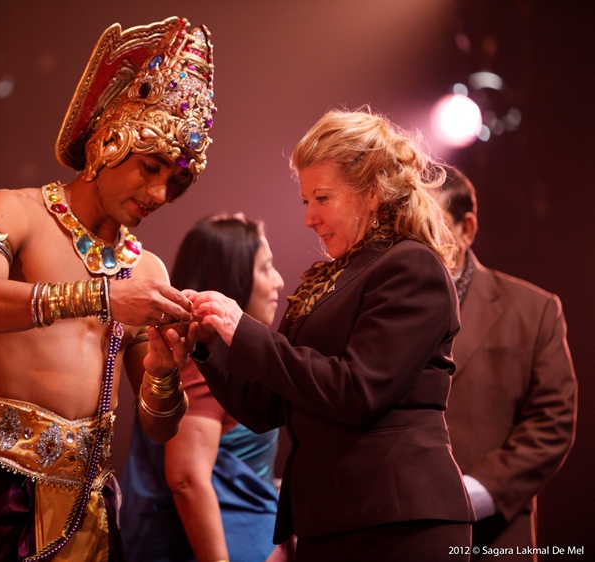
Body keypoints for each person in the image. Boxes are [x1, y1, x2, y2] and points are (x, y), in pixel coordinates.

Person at [0, 16, 215, 562]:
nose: (159, 193)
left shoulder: (148, 270)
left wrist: (163, 373)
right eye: (150, 167)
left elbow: (159, 427)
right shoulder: (14, 210)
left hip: (88, 503)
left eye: (175, 181)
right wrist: (101, 298)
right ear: (108, 143)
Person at [188, 109, 475, 561]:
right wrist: (209, 343)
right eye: (306, 200)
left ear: (373, 193)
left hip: (397, 521)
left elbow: (356, 390)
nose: (309, 218)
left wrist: (243, 328)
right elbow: (264, 407)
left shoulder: (411, 265)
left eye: (322, 198)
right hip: (332, 519)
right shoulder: (328, 279)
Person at [121, 215, 286, 562]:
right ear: (233, 277)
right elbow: (187, 479)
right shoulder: (203, 362)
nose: (278, 281)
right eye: (265, 268)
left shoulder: (223, 357)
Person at [438, 168, 576, 561]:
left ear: (467, 229)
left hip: (492, 537)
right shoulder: (380, 306)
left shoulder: (532, 309)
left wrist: (475, 492)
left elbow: (552, 422)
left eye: (429, 226)